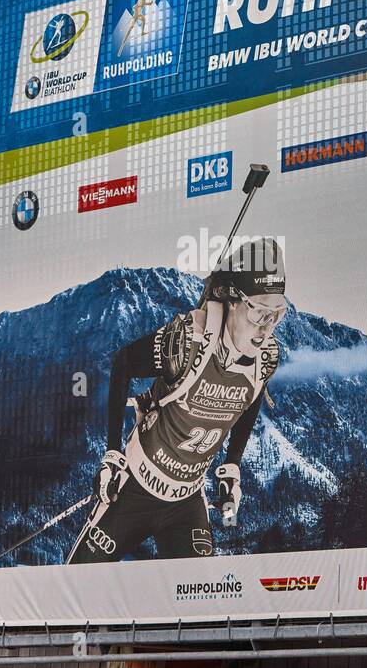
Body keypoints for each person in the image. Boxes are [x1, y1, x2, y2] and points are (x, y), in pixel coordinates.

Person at [66, 237, 287, 563]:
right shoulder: (188, 340)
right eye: (259, 313)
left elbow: (251, 397)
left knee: (202, 603)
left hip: (186, 500)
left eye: (277, 314)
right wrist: (112, 451)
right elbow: (123, 363)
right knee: (75, 582)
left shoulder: (265, 358)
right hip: (135, 488)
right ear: (231, 301)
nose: (266, 328)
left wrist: (232, 465)